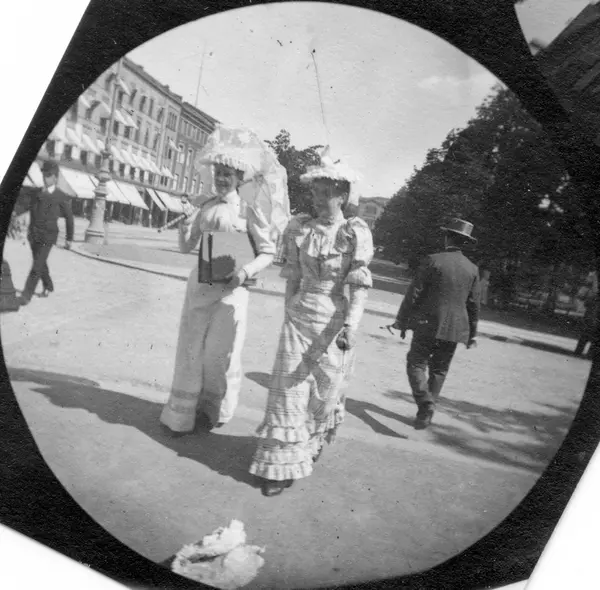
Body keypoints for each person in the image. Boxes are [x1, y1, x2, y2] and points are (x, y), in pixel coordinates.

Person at [249, 149, 374, 496]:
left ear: (343, 195)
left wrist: (351, 326)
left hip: (333, 321)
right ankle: (278, 468)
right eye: (315, 191)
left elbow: (359, 285)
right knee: (286, 393)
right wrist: (289, 309)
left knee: (324, 392)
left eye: (326, 192)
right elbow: (292, 275)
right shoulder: (300, 227)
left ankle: (311, 443)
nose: (318, 199)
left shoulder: (354, 232)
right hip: (299, 317)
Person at [160, 133, 277, 436]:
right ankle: (181, 416)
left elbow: (268, 252)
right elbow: (187, 248)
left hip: (231, 292)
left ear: (238, 178)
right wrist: (186, 225)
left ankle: (213, 411)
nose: (221, 179)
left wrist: (245, 272)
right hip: (200, 287)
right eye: (218, 173)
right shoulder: (206, 205)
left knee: (219, 354)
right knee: (190, 350)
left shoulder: (249, 210)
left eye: (227, 174)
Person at [391, 218, 480, 430]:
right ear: (465, 243)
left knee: (416, 363)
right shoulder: (472, 269)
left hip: (427, 324)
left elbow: (414, 293)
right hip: (454, 328)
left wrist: (401, 320)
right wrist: (472, 334)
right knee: (439, 370)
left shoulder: (433, 260)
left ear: (447, 237)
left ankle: (425, 403)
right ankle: (426, 414)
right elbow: (474, 305)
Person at [19, 160, 74, 305]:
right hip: (34, 235)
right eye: (44, 174)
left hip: (48, 237)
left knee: (37, 266)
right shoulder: (37, 192)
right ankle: (48, 285)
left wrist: (69, 238)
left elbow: (69, 218)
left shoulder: (61, 196)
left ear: (55, 177)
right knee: (40, 263)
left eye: (48, 175)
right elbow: (26, 207)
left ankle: (26, 295)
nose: (45, 178)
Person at [575, 271, 597, 359]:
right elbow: (581, 296)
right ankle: (584, 352)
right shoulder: (588, 287)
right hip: (591, 313)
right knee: (588, 332)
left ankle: (586, 353)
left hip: (592, 313)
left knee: (589, 333)